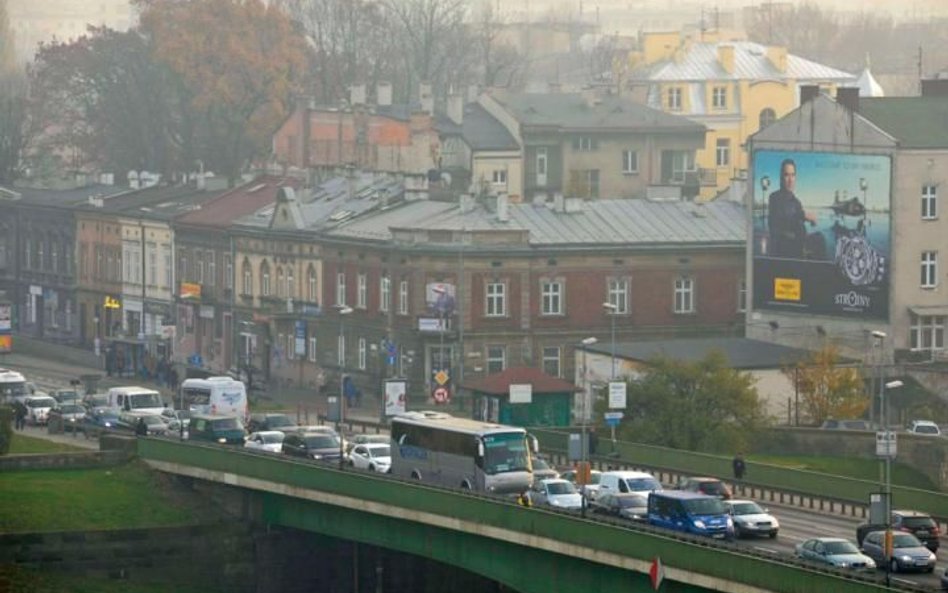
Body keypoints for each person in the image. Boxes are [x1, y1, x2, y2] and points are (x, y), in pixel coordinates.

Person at [767, 158, 817, 258]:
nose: (790, 180)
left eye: (793, 175)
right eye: (786, 175)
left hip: (799, 250)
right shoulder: (774, 198)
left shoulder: (797, 202)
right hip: (784, 253)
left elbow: (799, 220)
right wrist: (804, 215)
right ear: (781, 177)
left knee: (819, 238)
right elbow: (780, 219)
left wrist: (812, 221)